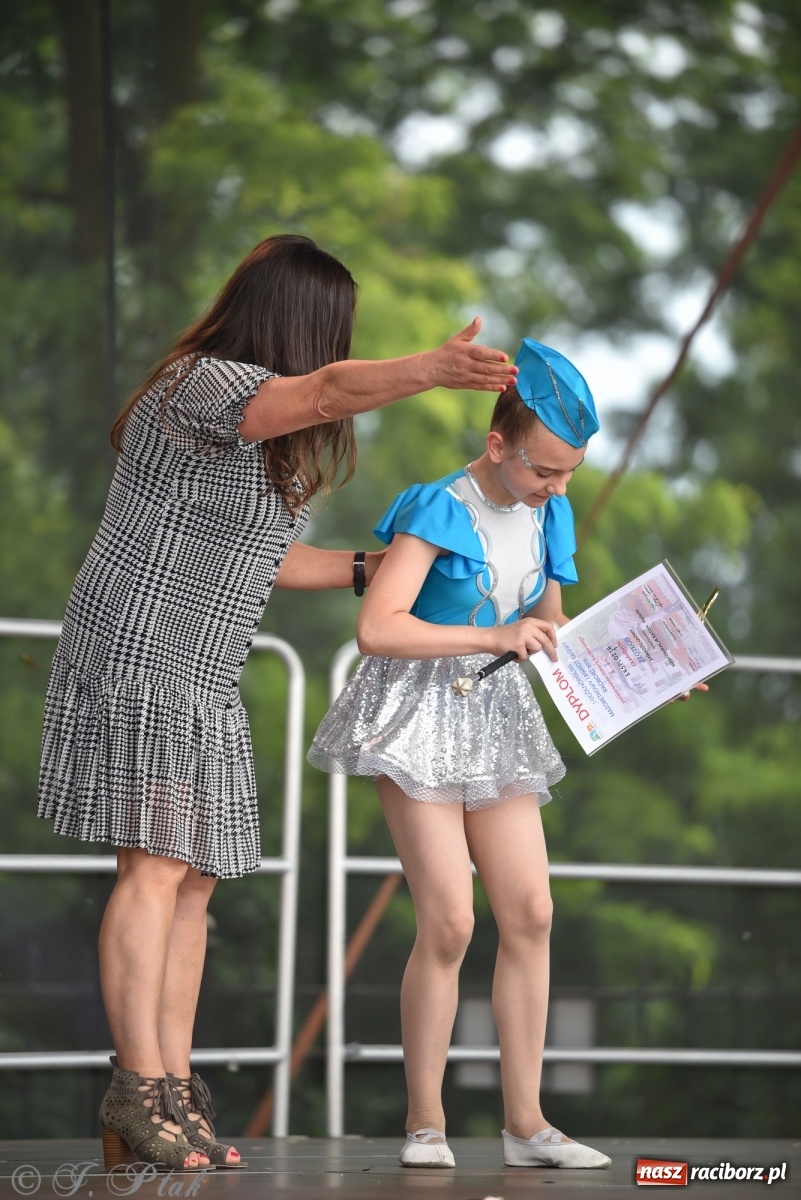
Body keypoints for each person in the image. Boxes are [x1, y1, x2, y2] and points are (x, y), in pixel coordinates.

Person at [37, 233, 516, 1172]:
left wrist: (383, 570)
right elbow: (332, 389)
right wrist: (431, 368)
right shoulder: (201, 385)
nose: (336, 348)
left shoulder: (259, 431)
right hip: (140, 643)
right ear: (303, 325)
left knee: (195, 877)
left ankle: (169, 1093)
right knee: (154, 868)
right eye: (333, 330)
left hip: (205, 664)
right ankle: (137, 1089)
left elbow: (271, 557)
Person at [308, 337, 614, 1170]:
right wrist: (493, 634)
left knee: (532, 912)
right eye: (545, 470)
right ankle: (424, 1123)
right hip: (415, 712)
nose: (557, 487)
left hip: (498, 716)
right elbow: (377, 628)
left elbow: (546, 629)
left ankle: (526, 1126)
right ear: (495, 445)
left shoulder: (551, 511)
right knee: (448, 919)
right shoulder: (437, 507)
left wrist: (643, 672)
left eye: (569, 473)